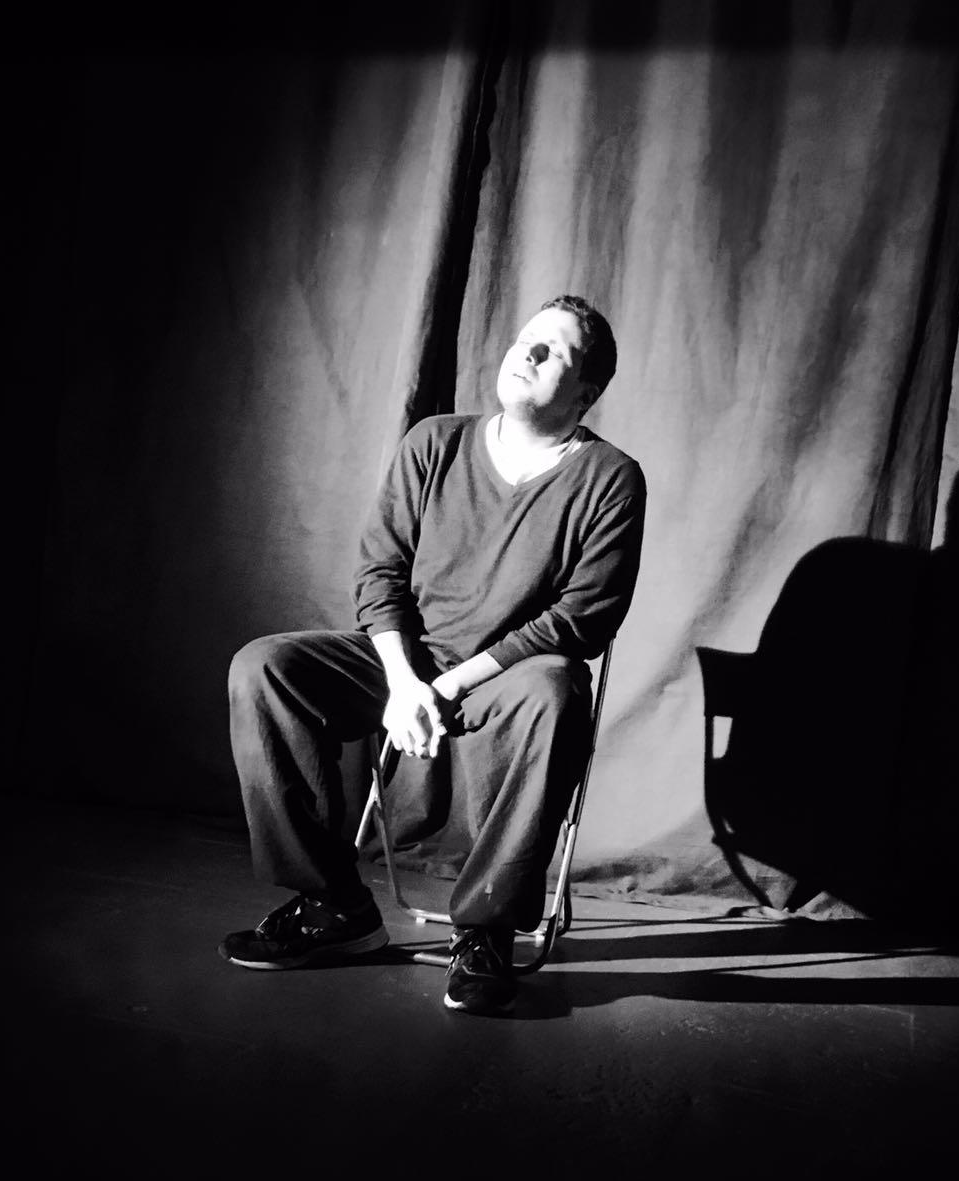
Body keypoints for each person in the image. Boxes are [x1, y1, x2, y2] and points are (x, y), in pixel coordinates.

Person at [220, 295, 646, 1015]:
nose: (528, 352)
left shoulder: (610, 478)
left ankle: (485, 931)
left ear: (587, 391)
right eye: (527, 338)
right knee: (265, 668)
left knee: (557, 691)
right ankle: (335, 907)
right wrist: (405, 682)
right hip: (405, 662)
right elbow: (379, 573)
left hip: (507, 678)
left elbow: (581, 620)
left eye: (555, 352)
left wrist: (444, 688)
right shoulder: (435, 442)